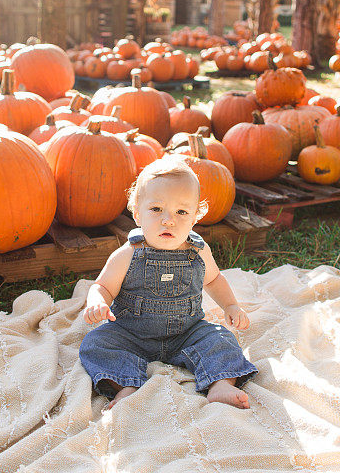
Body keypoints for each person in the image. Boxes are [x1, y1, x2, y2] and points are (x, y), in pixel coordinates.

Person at [79, 158, 257, 410]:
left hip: (187, 333)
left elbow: (215, 279)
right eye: (156, 210)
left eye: (181, 212)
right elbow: (103, 286)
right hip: (131, 333)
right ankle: (125, 384)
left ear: (195, 216)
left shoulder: (199, 251)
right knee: (95, 344)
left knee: (222, 339)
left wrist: (230, 306)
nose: (168, 220)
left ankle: (220, 385)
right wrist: (98, 302)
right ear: (138, 213)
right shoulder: (129, 253)